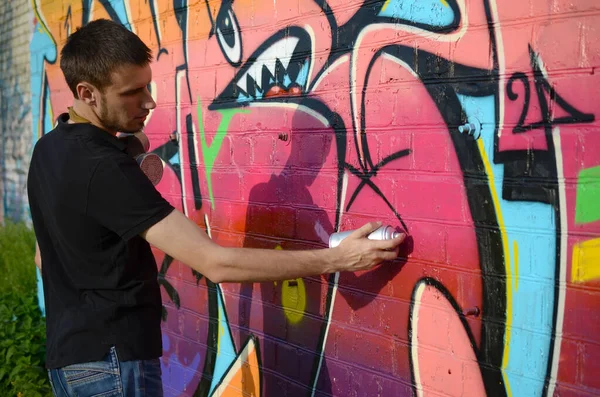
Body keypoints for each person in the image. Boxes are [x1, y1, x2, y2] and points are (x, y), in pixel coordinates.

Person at [27, 19, 406, 397]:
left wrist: (123, 152)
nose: (150, 102)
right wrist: (336, 260)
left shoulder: (48, 150)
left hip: (70, 362)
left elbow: (45, 257)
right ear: (87, 92)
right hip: (114, 365)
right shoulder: (106, 169)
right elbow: (215, 263)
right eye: (132, 92)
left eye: (148, 86)